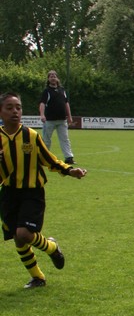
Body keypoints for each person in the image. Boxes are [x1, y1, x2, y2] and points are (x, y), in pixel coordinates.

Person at [1, 92, 87, 289]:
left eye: (18, 107)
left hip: (32, 193)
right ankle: (38, 278)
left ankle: (52, 248)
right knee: (18, 239)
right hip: (8, 194)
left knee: (24, 234)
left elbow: (49, 159)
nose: (15, 111)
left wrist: (69, 170)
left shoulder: (30, 136)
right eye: (9, 108)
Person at [38, 70, 76, 164]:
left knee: (65, 139)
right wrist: (42, 115)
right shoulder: (46, 91)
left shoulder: (62, 90)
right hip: (49, 120)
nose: (53, 78)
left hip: (62, 120)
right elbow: (42, 103)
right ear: (48, 79)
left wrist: (69, 116)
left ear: (57, 78)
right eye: (51, 76)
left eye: (54, 76)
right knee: (46, 140)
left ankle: (69, 158)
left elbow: (66, 103)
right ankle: (44, 157)